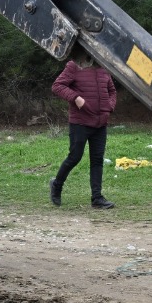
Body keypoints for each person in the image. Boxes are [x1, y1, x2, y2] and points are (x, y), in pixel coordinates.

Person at [49, 49, 118, 209]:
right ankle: (56, 185)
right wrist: (76, 98)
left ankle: (97, 198)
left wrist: (109, 107)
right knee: (75, 157)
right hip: (80, 123)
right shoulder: (74, 65)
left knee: (97, 160)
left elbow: (112, 91)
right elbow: (57, 86)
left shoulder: (103, 67)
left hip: (100, 123)